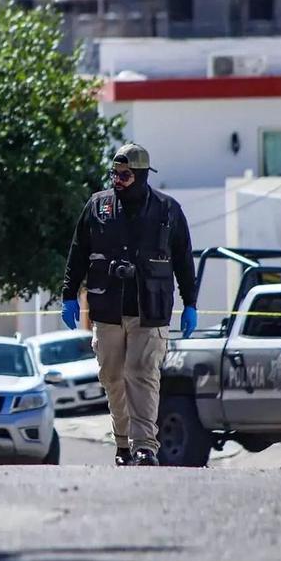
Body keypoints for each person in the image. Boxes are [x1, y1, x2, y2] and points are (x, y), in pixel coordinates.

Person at [60, 144, 197, 466]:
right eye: (114, 174)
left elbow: (183, 259)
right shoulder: (98, 206)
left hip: (151, 310)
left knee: (142, 372)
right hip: (107, 308)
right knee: (112, 376)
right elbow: (78, 251)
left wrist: (191, 302)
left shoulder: (168, 210)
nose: (118, 181)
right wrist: (68, 295)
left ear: (141, 175)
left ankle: (145, 447)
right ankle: (123, 444)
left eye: (125, 175)